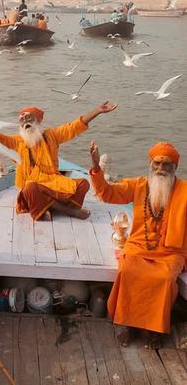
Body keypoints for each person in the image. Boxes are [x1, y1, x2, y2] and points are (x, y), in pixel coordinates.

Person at [89, 140, 187, 349]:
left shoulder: (185, 191)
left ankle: (154, 329)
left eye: (166, 165)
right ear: (151, 165)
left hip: (171, 252)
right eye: (157, 164)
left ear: (175, 167)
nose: (160, 169)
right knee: (127, 270)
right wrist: (96, 168)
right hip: (139, 246)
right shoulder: (139, 185)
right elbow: (107, 193)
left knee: (165, 278)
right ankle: (126, 323)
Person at [0, 103, 117, 221]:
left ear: (38, 120)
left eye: (29, 119)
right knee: (30, 187)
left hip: (52, 182)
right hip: (33, 190)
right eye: (22, 121)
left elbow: (73, 127)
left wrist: (97, 111)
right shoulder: (16, 141)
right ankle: (68, 210)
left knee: (83, 184)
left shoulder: (52, 135)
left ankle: (48, 207)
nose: (25, 122)